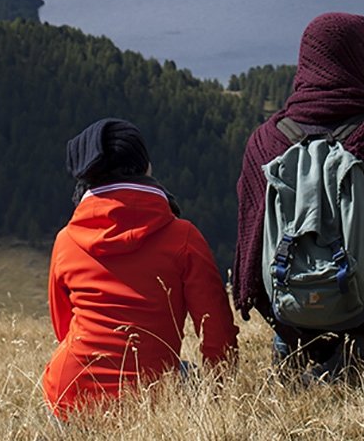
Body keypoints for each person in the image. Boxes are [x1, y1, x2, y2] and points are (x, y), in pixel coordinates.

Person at [234, 11, 364, 374]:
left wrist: (283, 315)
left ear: (306, 60)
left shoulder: (265, 143)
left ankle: (305, 353)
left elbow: (251, 249)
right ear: (362, 59)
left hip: (294, 319)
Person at [42, 118, 237, 420]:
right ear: (146, 167)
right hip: (151, 399)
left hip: (70, 398)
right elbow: (217, 330)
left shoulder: (66, 241)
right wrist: (219, 397)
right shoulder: (183, 237)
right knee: (189, 375)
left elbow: (63, 328)